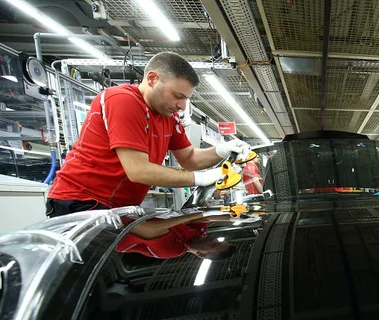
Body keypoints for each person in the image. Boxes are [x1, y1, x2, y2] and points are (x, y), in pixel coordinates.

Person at [46, 51, 249, 217]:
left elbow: (189, 158)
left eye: (186, 99)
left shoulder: (168, 116)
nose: (181, 106)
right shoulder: (122, 101)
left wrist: (222, 150)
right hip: (81, 202)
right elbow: (138, 171)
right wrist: (199, 178)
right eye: (178, 96)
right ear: (152, 79)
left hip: (118, 206)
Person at [115, 212, 236, 260]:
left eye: (214, 244)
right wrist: (233, 217)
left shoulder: (173, 250)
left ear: (201, 254)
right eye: (219, 240)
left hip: (112, 233)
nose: (213, 238)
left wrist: (195, 215)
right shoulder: (198, 235)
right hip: (122, 216)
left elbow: (150, 228)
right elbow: (205, 218)